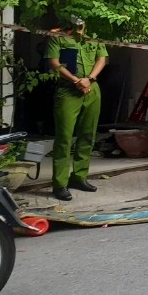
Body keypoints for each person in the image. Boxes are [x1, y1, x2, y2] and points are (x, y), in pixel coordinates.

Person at [46, 15, 107, 202]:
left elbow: (102, 59)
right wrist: (76, 81)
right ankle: (60, 183)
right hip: (67, 90)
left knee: (88, 135)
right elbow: (54, 63)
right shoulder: (58, 37)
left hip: (91, 89)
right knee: (64, 138)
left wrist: (90, 79)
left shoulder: (94, 36)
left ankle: (79, 177)